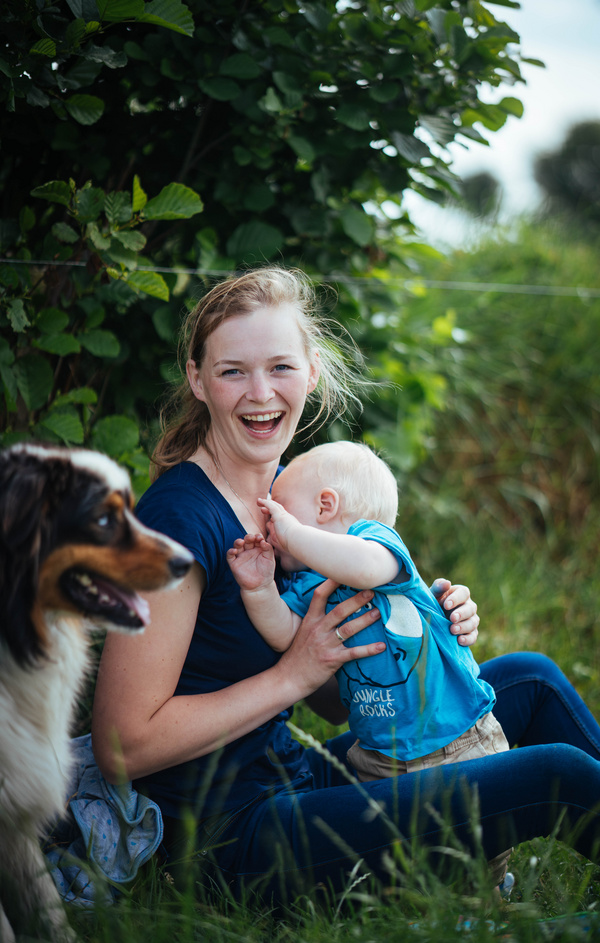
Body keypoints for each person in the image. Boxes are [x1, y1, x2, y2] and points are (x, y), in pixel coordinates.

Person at [92, 266, 600, 906]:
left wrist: (420, 636)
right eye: (232, 371)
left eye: (280, 367)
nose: (260, 393)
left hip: (297, 779)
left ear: (311, 372)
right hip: (236, 840)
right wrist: (290, 678)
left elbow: (338, 699)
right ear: (197, 380)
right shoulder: (179, 523)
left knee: (529, 678)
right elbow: (121, 744)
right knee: (557, 777)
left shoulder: (286, 502)